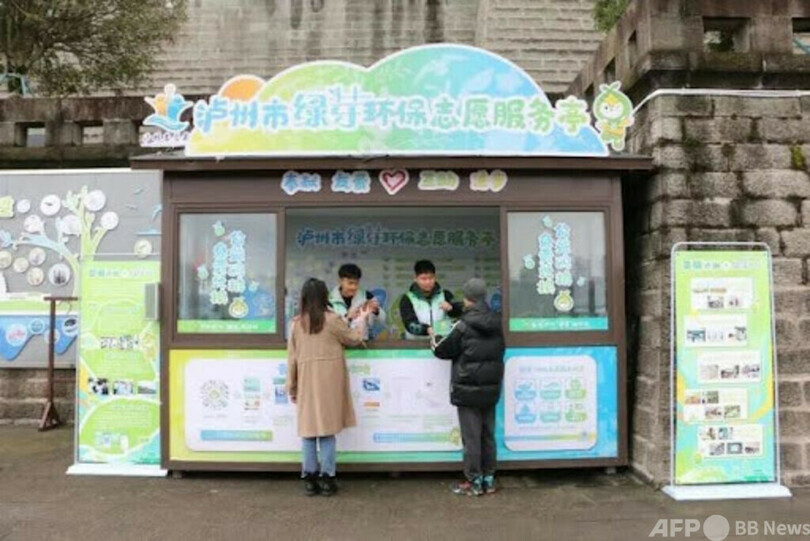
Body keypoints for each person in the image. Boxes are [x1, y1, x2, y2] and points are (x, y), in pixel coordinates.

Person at [286, 278, 368, 496]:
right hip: (330, 383)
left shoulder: (296, 324)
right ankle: (327, 479)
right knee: (327, 432)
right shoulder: (332, 319)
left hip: (306, 382)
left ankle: (309, 479)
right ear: (325, 296)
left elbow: (292, 359)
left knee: (308, 432)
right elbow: (354, 338)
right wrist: (361, 320)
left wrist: (292, 387)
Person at [431, 278, 505, 496]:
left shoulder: (463, 326)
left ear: (467, 298)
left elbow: (442, 350)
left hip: (467, 389)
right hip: (490, 388)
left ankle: (474, 482)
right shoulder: (496, 321)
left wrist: (433, 338)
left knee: (471, 437)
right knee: (487, 435)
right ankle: (489, 479)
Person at [399, 259, 461, 339]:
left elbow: (459, 312)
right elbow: (409, 324)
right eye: (423, 279)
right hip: (415, 344)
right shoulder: (407, 298)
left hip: (442, 343)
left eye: (431, 278)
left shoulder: (445, 295)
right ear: (415, 278)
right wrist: (426, 329)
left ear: (435, 277)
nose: (428, 282)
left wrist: (451, 308)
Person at [329, 263, 386, 339]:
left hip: (362, 343)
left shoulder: (367, 296)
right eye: (350, 283)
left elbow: (382, 322)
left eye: (356, 283)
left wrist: (376, 311)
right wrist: (347, 318)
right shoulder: (329, 300)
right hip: (338, 343)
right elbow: (329, 327)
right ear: (340, 281)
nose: (353, 287)